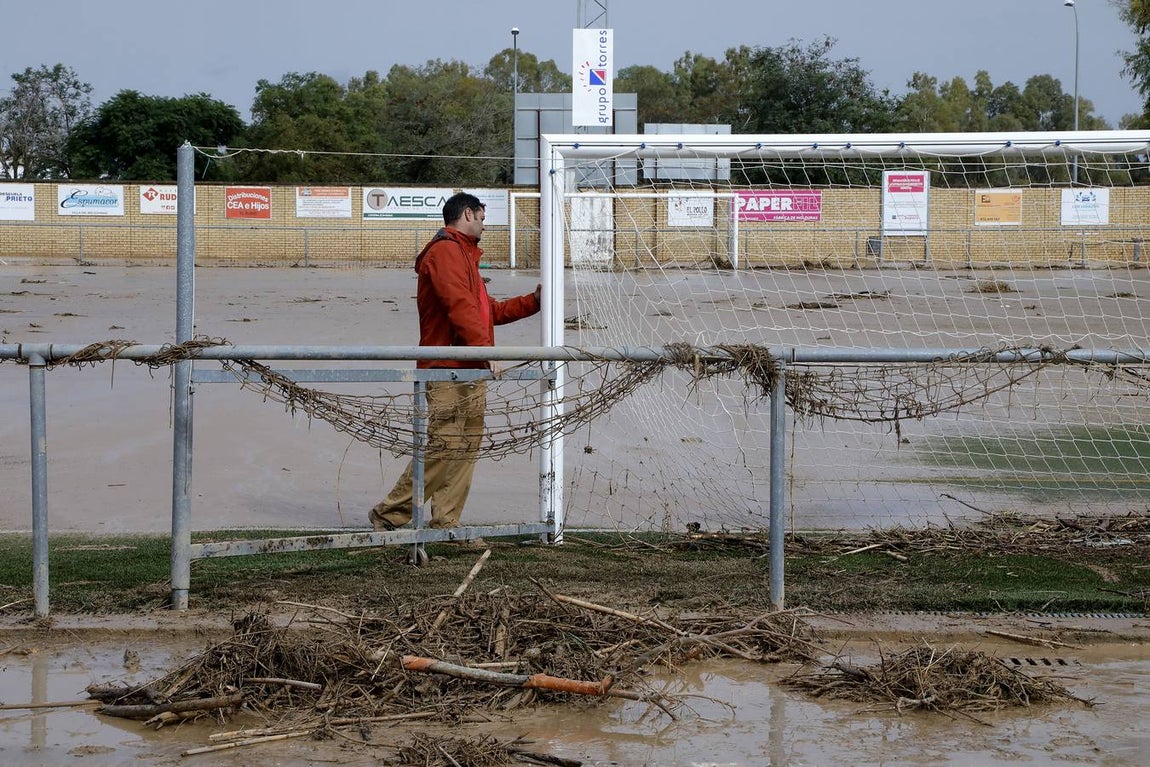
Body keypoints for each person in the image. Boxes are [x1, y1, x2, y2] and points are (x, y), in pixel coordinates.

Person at [370, 191, 541, 533]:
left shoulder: (465, 255)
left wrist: (533, 301)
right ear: (466, 214)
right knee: (444, 445)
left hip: (471, 367)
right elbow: (458, 307)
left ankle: (446, 524)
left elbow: (485, 311)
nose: (484, 224)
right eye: (481, 217)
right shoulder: (446, 252)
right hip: (447, 367)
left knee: (464, 449)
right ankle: (390, 513)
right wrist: (485, 352)